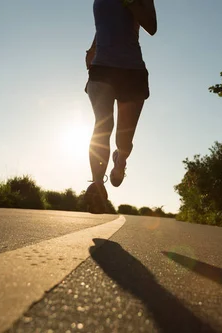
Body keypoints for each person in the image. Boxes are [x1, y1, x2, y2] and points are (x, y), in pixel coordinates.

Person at [83, 0, 157, 214]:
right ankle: (97, 186)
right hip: (101, 67)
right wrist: (93, 47)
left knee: (123, 141)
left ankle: (120, 160)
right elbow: (105, 25)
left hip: (131, 70)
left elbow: (151, 27)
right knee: (102, 125)